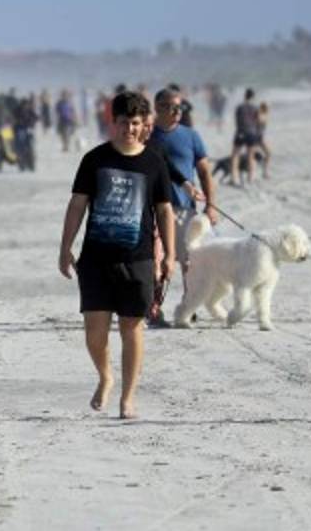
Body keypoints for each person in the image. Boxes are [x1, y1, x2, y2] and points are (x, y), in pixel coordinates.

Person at [59, 91, 175, 420]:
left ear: (143, 125)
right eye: (124, 122)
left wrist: (169, 254)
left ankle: (128, 397)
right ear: (113, 122)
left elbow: (164, 211)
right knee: (94, 333)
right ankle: (105, 376)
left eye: (135, 123)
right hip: (96, 259)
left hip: (138, 259)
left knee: (131, 328)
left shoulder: (154, 162)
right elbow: (77, 204)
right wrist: (65, 247)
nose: (129, 129)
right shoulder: (94, 160)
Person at [147, 89, 218, 284]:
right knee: (155, 264)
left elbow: (205, 173)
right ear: (157, 107)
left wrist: (210, 206)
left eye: (180, 107)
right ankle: (154, 300)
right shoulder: (146, 134)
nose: (177, 111)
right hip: (153, 210)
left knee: (190, 265)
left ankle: (189, 302)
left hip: (184, 209)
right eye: (171, 107)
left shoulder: (191, 136)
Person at [229, 88, 261, 186]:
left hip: (241, 132)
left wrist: (239, 131)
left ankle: (234, 178)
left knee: (235, 155)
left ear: (245, 96)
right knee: (251, 156)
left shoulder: (240, 107)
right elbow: (258, 122)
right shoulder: (255, 108)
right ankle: (250, 178)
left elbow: (237, 121)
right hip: (252, 133)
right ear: (253, 97)